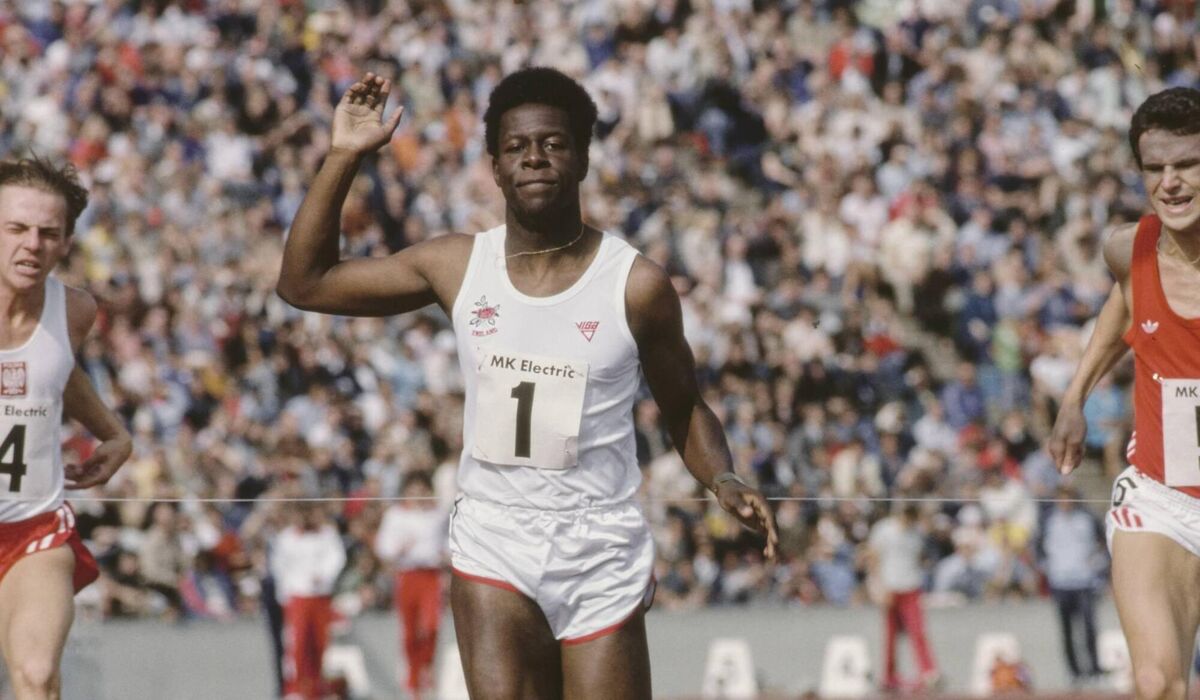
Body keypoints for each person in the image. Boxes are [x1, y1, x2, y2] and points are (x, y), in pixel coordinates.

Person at [277, 68, 778, 699]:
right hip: (495, 540)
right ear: (494, 166)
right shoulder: (458, 264)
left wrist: (723, 477)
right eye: (516, 147)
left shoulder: (637, 285)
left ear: (583, 159)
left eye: (553, 143)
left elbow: (686, 409)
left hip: (599, 546)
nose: (534, 158)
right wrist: (343, 156)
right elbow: (305, 283)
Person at [1049, 87, 1200, 700]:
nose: (1171, 183)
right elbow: (1124, 309)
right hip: (1160, 496)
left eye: (1187, 164)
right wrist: (1073, 399)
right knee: (1156, 682)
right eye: (1154, 168)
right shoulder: (1128, 248)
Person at [0, 157, 133, 700]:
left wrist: (114, 432)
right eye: (16, 228)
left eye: (47, 233)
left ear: (65, 242)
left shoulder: (75, 309)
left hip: (35, 528)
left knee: (36, 675)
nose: (31, 244)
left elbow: (55, 372)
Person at [374, 471, 448, 699]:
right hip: (407, 575)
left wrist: (446, 556)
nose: (418, 496)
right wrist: (397, 548)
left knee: (431, 626)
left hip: (431, 576)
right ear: (406, 493)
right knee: (410, 631)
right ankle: (413, 682)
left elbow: (448, 541)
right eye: (413, 491)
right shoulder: (396, 515)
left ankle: (427, 668)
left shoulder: (439, 514)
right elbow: (383, 546)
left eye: (422, 491)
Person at [270, 503, 346, 700]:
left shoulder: (327, 534)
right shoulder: (286, 538)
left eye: (308, 513)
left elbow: (337, 558)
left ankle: (316, 688)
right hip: (297, 597)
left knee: (320, 644)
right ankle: (296, 689)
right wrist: (285, 596)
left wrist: (323, 575)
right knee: (298, 644)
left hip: (320, 596)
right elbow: (280, 567)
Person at [866, 501, 940, 692]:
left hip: (911, 587)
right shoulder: (883, 530)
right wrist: (877, 586)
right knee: (890, 635)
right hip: (889, 587)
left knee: (917, 630)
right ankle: (888, 676)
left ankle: (928, 672)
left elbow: (917, 559)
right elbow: (873, 558)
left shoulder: (916, 535)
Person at [1037, 485, 1105, 686]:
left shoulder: (1087, 519)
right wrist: (1047, 568)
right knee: (1066, 630)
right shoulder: (1048, 521)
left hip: (1084, 580)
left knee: (1089, 628)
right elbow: (1038, 547)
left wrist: (1096, 566)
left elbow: (1102, 544)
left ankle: (1094, 669)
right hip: (1060, 581)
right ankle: (1074, 671)